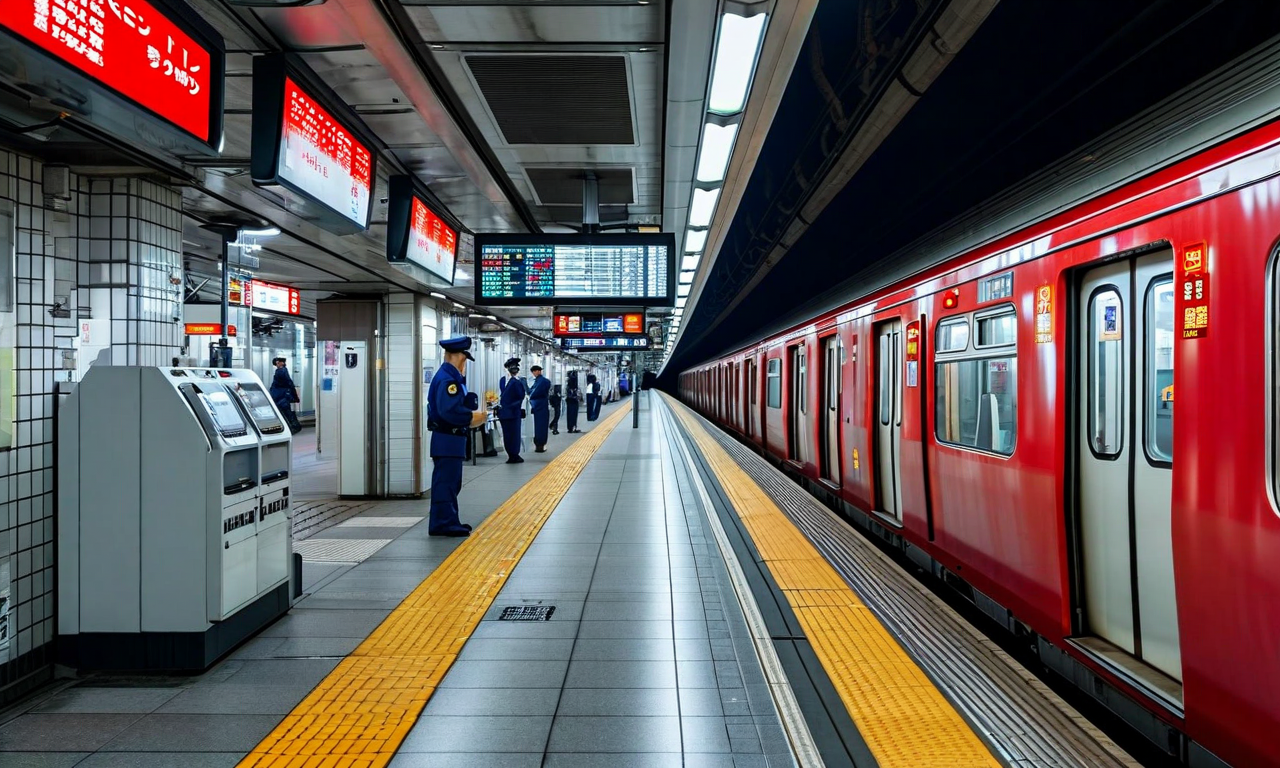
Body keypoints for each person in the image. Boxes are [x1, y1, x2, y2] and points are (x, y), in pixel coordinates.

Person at [427, 337, 486, 537]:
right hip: (447, 440)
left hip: (450, 442)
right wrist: (472, 417)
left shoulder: (450, 377)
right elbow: (448, 411)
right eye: (464, 358)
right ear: (459, 356)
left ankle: (448, 520)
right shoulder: (447, 380)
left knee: (451, 484)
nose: (465, 362)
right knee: (446, 484)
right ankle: (443, 523)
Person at [497, 357, 526, 463]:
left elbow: (519, 397)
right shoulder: (509, 381)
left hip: (508, 412)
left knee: (511, 434)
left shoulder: (510, 381)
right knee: (510, 434)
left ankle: (513, 454)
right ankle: (512, 454)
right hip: (508, 413)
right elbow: (518, 396)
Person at [269, 357, 302, 434]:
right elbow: (289, 384)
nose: (277, 364)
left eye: (278, 362)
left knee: (286, 413)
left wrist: (295, 396)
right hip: (282, 396)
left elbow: (289, 383)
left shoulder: (281, 371)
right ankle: (293, 427)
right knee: (286, 412)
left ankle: (293, 427)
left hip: (281, 397)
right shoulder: (282, 371)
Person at [528, 365, 551, 453]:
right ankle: (540, 444)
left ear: (537, 371)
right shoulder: (541, 381)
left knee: (540, 426)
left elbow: (533, 393)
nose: (533, 374)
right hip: (541, 406)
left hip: (540, 406)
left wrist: (525, 386)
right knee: (541, 425)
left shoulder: (542, 382)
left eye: (534, 372)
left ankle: (540, 445)